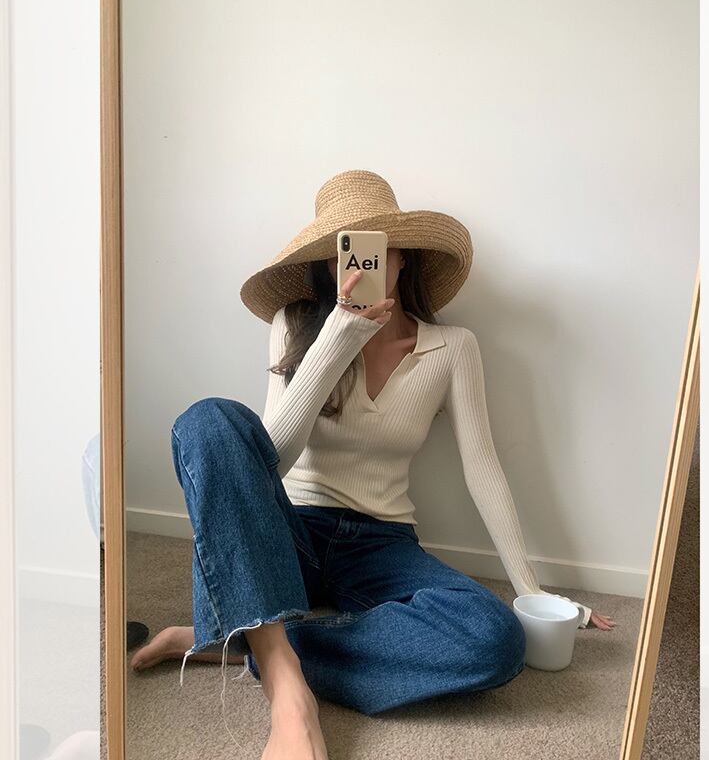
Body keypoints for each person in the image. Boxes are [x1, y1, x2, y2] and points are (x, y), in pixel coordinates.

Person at [131, 170, 615, 760]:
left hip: (381, 542)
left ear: (403, 257)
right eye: (343, 254)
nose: (358, 267)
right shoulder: (295, 325)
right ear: (328, 264)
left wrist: (532, 592)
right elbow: (270, 461)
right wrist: (337, 339)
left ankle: (243, 637)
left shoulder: (453, 347)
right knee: (210, 421)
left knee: (493, 639)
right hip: (290, 528)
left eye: (374, 250)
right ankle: (286, 687)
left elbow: (483, 467)